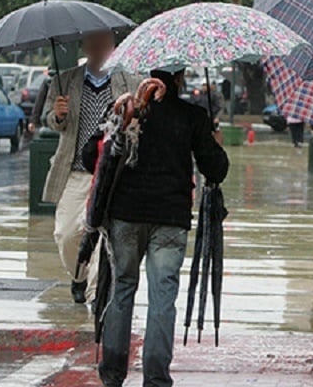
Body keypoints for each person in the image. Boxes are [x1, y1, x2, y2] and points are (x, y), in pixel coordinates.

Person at [97, 67, 229, 387]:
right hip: (170, 218)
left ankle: (113, 373)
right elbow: (216, 169)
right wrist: (213, 140)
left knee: (122, 288)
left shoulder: (125, 109)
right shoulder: (192, 116)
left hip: (125, 214)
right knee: (162, 297)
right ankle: (156, 377)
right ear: (180, 78)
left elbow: (95, 156)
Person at [43, 31, 139, 304]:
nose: (99, 48)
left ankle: (98, 298)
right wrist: (58, 114)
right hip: (75, 171)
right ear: (84, 46)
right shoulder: (64, 80)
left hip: (113, 172)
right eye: (93, 43)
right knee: (66, 234)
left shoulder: (129, 79)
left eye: (104, 43)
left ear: (113, 46)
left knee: (103, 238)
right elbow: (50, 120)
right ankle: (79, 275)